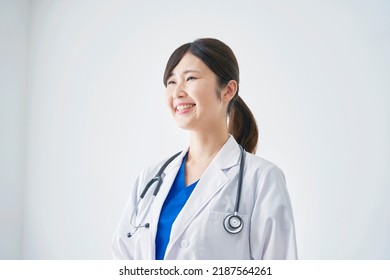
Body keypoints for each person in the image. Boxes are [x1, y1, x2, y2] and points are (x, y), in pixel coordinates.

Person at [112, 38, 297, 260]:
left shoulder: (262, 179)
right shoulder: (150, 179)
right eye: (171, 82)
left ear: (228, 90)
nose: (177, 92)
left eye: (190, 78)